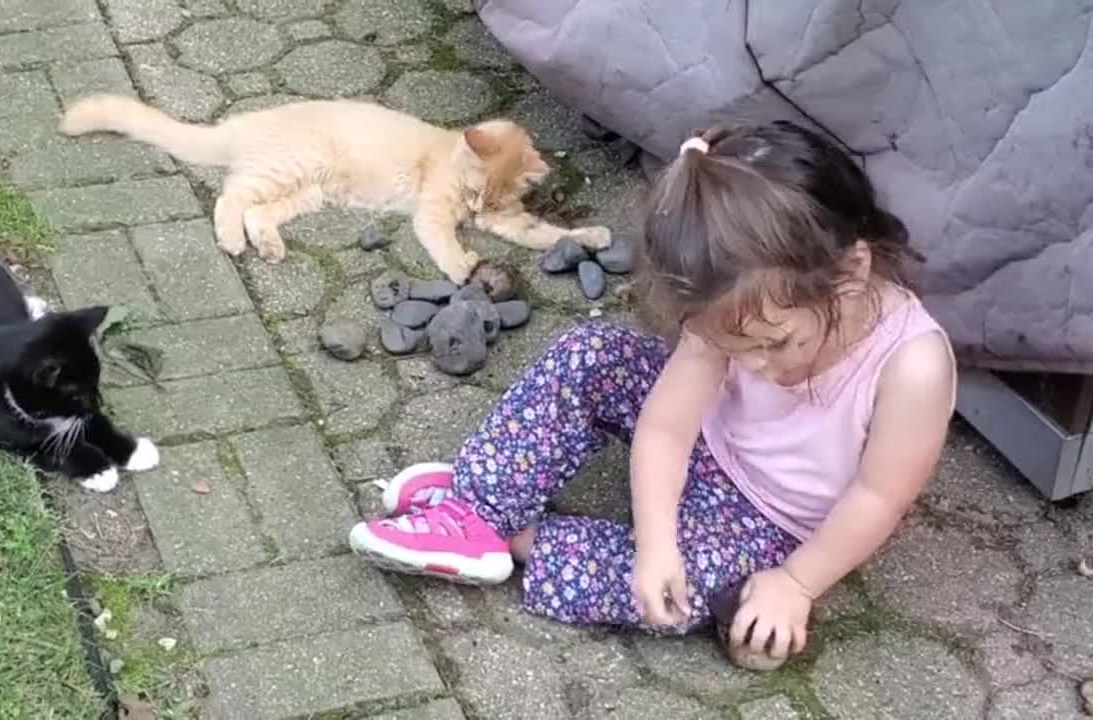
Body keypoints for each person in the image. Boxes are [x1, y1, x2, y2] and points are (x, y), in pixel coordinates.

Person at [347, 120, 957, 669]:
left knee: (686, 591)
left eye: (775, 343)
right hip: (705, 441)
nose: (755, 366)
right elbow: (668, 425)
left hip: (768, 520)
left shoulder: (914, 366)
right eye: (734, 347)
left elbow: (877, 498)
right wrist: (657, 537)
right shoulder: (739, 299)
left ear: (850, 272)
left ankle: (515, 538)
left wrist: (795, 583)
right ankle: (474, 506)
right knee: (592, 353)